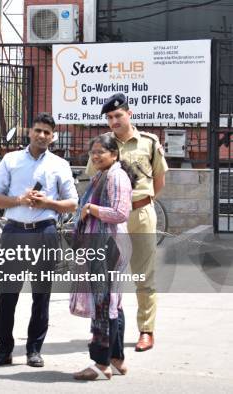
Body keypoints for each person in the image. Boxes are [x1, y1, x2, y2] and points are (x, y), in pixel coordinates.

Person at [0, 113, 78, 367]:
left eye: (47, 133)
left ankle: (34, 350)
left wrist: (47, 202)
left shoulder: (60, 164)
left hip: (44, 232)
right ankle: (4, 349)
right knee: (7, 294)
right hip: (14, 231)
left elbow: (72, 203)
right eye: (37, 130)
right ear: (29, 132)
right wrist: (20, 200)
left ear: (52, 137)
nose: (41, 136)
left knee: (41, 294)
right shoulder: (11, 160)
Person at [86, 93, 168, 352]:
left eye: (118, 115)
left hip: (141, 215)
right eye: (109, 117)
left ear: (129, 114)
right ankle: (108, 330)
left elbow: (159, 179)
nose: (114, 121)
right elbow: (94, 180)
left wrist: (142, 203)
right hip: (111, 219)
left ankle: (146, 330)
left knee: (144, 276)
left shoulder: (148, 142)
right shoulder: (102, 145)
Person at [71, 134, 135, 380]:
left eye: (101, 152)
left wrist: (90, 209)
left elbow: (120, 212)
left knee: (102, 303)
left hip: (108, 246)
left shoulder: (115, 176)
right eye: (93, 152)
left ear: (114, 154)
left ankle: (101, 364)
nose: (96, 156)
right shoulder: (103, 174)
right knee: (112, 302)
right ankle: (117, 358)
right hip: (105, 243)